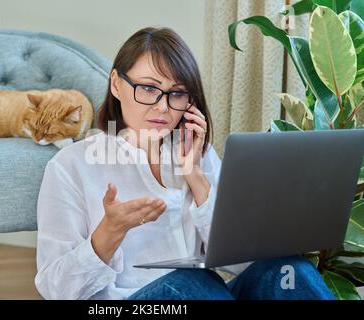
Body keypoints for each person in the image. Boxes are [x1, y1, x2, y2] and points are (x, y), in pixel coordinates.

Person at [34, 27, 335, 300]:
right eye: (149, 88)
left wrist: (196, 179)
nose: (162, 107)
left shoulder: (197, 155)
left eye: (177, 93)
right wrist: (109, 232)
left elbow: (241, 265)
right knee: (191, 284)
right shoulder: (69, 166)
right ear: (116, 84)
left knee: (287, 270)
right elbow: (55, 289)